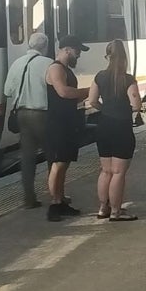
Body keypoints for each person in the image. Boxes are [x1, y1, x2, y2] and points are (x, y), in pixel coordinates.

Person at [88, 40, 142, 222]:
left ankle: (103, 208)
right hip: (121, 127)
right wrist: (125, 109)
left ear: (107, 56)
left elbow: (92, 100)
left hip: (103, 126)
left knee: (106, 171)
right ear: (124, 57)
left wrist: (106, 109)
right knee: (118, 172)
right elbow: (136, 104)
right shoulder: (127, 79)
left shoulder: (99, 77)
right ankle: (116, 211)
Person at [3, 33, 54, 210]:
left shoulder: (17, 63)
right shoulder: (48, 64)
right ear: (45, 46)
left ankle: (29, 199)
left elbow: (7, 91)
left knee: (27, 158)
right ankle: (56, 196)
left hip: (23, 115)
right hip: (43, 115)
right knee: (52, 156)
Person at [44, 36, 91, 222]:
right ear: (67, 49)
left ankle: (61, 199)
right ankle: (55, 204)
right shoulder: (56, 68)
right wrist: (89, 91)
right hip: (58, 123)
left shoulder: (66, 70)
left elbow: (72, 97)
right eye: (77, 51)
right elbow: (63, 92)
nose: (78, 55)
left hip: (68, 121)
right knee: (58, 164)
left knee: (64, 163)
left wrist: (83, 96)